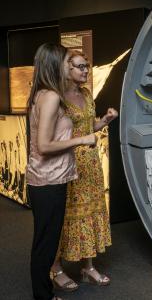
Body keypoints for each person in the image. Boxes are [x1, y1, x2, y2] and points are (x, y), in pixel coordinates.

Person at [26, 43, 97, 300]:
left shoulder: (44, 93)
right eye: (68, 62)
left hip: (51, 179)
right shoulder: (52, 96)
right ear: (55, 64)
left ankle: (43, 294)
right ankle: (43, 296)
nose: (71, 66)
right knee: (45, 246)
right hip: (48, 181)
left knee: (45, 243)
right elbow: (44, 146)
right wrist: (81, 140)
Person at [51, 50, 118, 290]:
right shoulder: (56, 97)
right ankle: (56, 267)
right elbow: (53, 136)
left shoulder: (87, 94)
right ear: (66, 70)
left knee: (91, 212)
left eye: (87, 66)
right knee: (65, 215)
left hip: (91, 164)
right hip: (68, 163)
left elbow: (91, 127)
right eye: (80, 66)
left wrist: (106, 120)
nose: (86, 70)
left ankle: (87, 267)